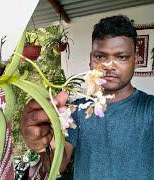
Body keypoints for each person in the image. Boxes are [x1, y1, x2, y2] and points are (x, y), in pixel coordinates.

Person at [20, 15, 154, 179]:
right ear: (91, 60)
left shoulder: (150, 109)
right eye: (100, 56)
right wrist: (43, 143)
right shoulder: (76, 110)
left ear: (136, 60)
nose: (109, 66)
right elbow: (56, 166)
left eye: (121, 57)